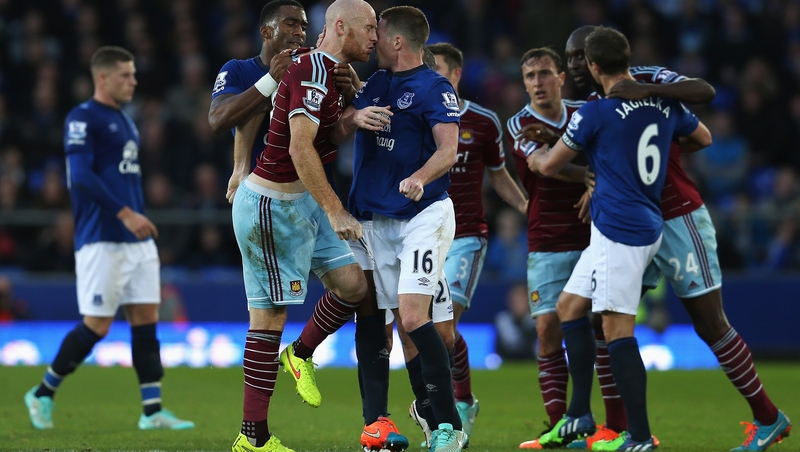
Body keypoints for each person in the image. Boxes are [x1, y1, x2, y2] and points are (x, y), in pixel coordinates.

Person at [527, 24, 792, 451]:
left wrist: (648, 113)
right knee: (598, 316)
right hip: (635, 219)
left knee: (709, 323)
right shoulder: (597, 103)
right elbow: (611, 145)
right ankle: (614, 428)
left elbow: (703, 113)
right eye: (569, 58)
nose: (574, 65)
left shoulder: (650, 81)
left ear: (597, 58)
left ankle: (767, 416)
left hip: (679, 216)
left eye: (579, 57)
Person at [528, 27, 711, 451]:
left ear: (593, 67)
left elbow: (552, 165)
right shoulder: (663, 104)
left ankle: (640, 437)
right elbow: (703, 137)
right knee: (569, 307)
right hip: (645, 219)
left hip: (619, 231)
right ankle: (579, 414)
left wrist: (537, 156)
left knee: (617, 330)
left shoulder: (593, 113)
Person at [228, 0, 378, 450]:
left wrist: (352, 115)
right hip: (271, 206)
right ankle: (252, 439)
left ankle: (300, 353)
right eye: (368, 27)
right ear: (340, 27)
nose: (373, 36)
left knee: (354, 286)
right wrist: (335, 210)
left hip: (304, 204)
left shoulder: (330, 73)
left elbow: (324, 136)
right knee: (269, 317)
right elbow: (299, 148)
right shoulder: (313, 70)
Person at [24, 46, 194, 431]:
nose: (133, 81)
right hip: (102, 237)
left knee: (145, 319)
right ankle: (42, 392)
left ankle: (152, 412)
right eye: (125, 75)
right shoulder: (82, 117)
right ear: (102, 78)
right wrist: (125, 212)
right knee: (97, 324)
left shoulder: (125, 120)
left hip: (136, 241)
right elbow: (80, 176)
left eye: (133, 74)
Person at [332, 5, 468, 452]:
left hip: (422, 216)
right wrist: (354, 118)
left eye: (377, 31)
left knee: (413, 319)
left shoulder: (434, 87)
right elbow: (336, 128)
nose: (371, 38)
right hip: (374, 221)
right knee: (389, 325)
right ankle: (409, 419)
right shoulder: (376, 84)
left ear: (397, 42)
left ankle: (450, 425)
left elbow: (449, 150)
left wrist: (419, 178)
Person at [427, 41, 528, 438]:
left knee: (445, 324)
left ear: (455, 75)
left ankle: (453, 412)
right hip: (425, 237)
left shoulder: (483, 121)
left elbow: (500, 175)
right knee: (434, 328)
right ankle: (458, 403)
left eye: (437, 72)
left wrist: (526, 206)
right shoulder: (417, 117)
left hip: (467, 235)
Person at [503, 47, 591, 450]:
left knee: (605, 331)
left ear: (561, 77)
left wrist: (588, 168)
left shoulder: (586, 112)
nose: (537, 83)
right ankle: (560, 425)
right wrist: (591, 176)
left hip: (594, 235)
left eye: (543, 74)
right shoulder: (519, 122)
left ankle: (610, 424)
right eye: (529, 77)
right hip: (547, 240)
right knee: (546, 329)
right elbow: (543, 165)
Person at [208, 0, 309, 205]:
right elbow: (217, 119)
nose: (299, 32)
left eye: (303, 26)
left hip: (308, 193)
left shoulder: (313, 73)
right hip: (260, 195)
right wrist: (270, 81)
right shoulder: (238, 70)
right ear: (266, 32)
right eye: (290, 24)